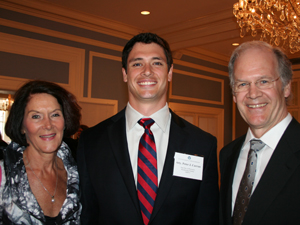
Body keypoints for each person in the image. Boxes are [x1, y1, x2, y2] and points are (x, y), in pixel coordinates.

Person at [77, 32, 219, 225]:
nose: (147, 71)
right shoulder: (91, 141)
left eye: (157, 63)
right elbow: (87, 216)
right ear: (125, 74)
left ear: (169, 73)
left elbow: (206, 218)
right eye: (137, 63)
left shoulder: (202, 145)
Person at [219, 41, 300, 225]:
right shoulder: (227, 155)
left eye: (263, 81)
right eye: (242, 84)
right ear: (233, 94)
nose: (253, 93)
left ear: (286, 87)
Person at [0, 80, 82, 224]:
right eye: (36, 116)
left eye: (55, 115)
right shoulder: (4, 174)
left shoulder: (79, 172)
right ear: (22, 126)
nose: (48, 125)